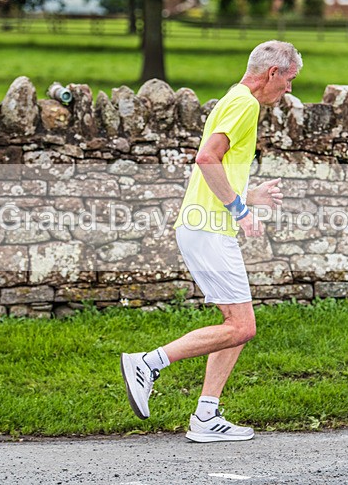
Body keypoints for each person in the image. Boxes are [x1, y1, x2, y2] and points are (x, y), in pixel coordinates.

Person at [121, 40, 302, 443]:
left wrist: (248, 195)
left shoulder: (233, 99)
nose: (289, 90)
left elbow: (215, 166)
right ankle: (147, 364)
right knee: (242, 326)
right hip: (208, 230)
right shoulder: (246, 104)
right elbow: (206, 159)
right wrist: (240, 208)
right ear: (273, 73)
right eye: (289, 80)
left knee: (236, 325)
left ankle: (206, 417)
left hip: (205, 227)